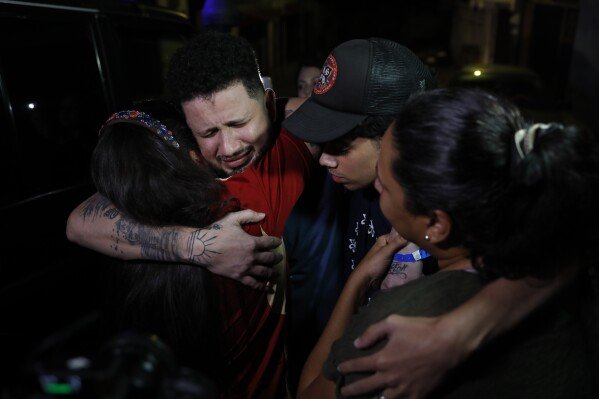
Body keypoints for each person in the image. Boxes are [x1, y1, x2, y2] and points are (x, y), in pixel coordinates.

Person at [297, 87, 599, 398]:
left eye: (384, 186)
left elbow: (308, 393)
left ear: (437, 225)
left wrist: (356, 284)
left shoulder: (402, 321)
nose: (375, 185)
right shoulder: (575, 278)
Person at [67, 29, 315, 399]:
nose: (229, 147)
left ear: (267, 103)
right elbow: (77, 223)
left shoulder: (291, 148)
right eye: (208, 132)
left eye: (238, 124)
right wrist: (198, 245)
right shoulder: (182, 201)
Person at [282, 38, 437, 392]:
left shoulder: (436, 226)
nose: (324, 159)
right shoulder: (349, 183)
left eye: (341, 145)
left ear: (398, 134)